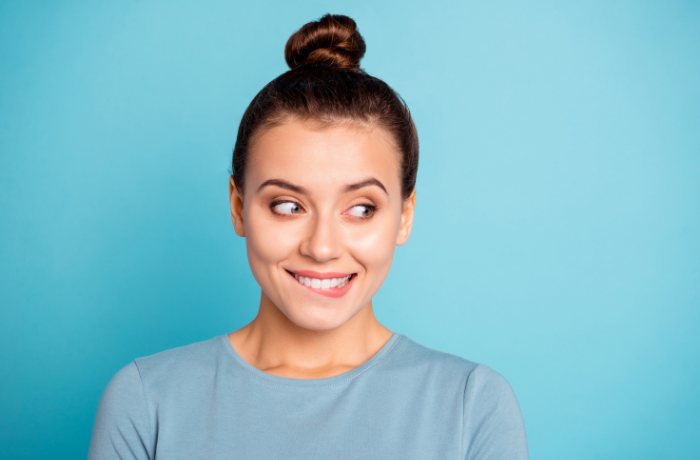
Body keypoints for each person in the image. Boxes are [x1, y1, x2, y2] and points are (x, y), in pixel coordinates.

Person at [88, 14, 528, 460]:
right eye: (288, 206)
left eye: (361, 209)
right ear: (239, 207)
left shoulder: (473, 406)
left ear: (404, 216)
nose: (321, 247)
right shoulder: (146, 403)